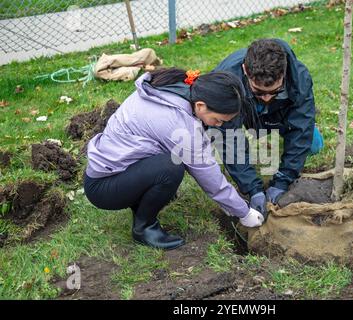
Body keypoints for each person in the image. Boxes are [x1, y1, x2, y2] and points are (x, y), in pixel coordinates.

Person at [83, 68, 265, 250]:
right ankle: (144, 227)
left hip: (118, 169)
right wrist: (243, 211)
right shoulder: (178, 124)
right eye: (218, 120)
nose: (219, 125)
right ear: (201, 106)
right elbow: (209, 177)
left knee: (170, 165)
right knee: (171, 167)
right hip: (104, 188)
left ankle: (145, 198)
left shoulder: (174, 89)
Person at [213, 38, 324, 217]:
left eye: (274, 91)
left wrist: (282, 181)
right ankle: (259, 116)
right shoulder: (226, 80)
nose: (266, 98)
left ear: (284, 73)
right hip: (245, 108)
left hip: (281, 113)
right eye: (259, 91)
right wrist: (253, 189)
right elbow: (229, 138)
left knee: (313, 145)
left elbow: (301, 128)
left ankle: (276, 122)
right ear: (245, 71)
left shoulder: (299, 78)